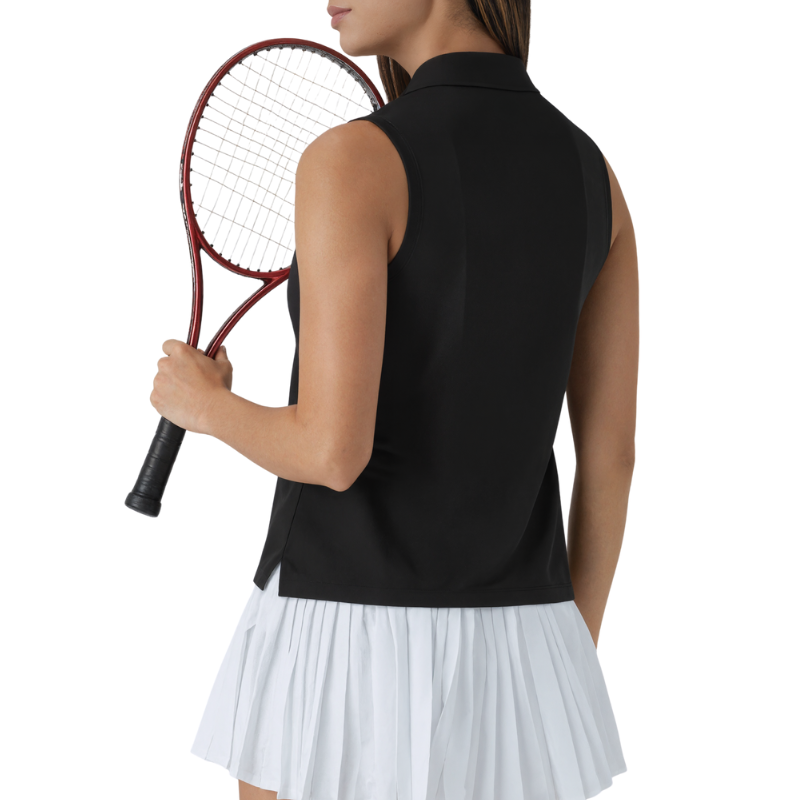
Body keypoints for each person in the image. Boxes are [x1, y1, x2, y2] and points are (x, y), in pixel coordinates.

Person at [151, 1, 638, 798]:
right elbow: (611, 459)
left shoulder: (352, 159)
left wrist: (203, 405)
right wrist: (564, 652)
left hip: (344, 633)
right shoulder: (596, 176)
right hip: (530, 640)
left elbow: (331, 451)